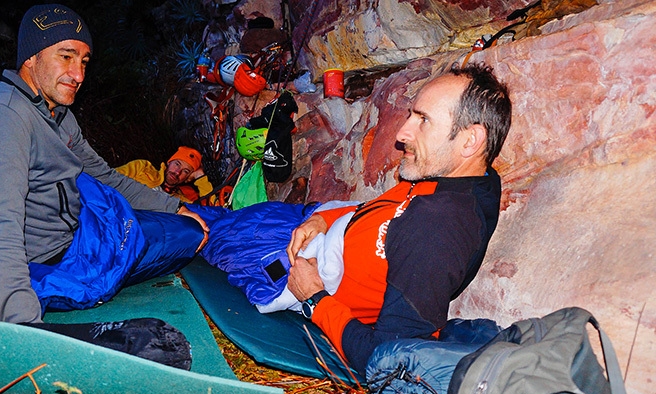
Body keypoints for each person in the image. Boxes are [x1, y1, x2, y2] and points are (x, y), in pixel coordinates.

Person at [189, 63, 511, 375]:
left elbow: (390, 362)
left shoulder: (436, 232)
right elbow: (379, 207)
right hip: (316, 222)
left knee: (200, 233)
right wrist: (323, 219)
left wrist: (314, 298)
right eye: (411, 114)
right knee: (230, 216)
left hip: (307, 269)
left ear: (470, 141)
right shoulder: (465, 178)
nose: (401, 134)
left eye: (423, 119)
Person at [0, 4, 209, 369]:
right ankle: (92, 285)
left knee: (187, 229)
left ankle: (124, 262)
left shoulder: (58, 115)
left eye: (84, 61)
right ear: (31, 58)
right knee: (183, 240)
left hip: (83, 234)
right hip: (51, 263)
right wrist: (22, 327)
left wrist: (174, 206)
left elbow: (105, 177)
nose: (78, 73)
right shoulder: (3, 117)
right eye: (66, 57)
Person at [116, 146, 213, 203]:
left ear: (188, 178)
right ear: (168, 162)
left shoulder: (182, 201)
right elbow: (110, 178)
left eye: (185, 171)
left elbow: (214, 211)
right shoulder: (143, 167)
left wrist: (200, 177)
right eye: (177, 164)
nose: (177, 172)